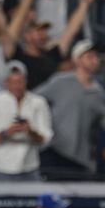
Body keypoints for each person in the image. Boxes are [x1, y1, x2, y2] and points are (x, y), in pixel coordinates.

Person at [35, 40, 105, 173]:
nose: (94, 60)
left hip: (81, 157)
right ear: (77, 60)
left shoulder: (98, 92)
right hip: (55, 151)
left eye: (96, 56)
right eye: (89, 56)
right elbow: (33, 100)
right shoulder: (60, 81)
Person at [0, 61, 53, 181]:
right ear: (5, 83)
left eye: (20, 82)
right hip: (0, 167)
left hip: (30, 167)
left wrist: (30, 131)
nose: (16, 86)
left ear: (26, 81)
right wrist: (7, 132)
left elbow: (46, 138)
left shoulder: (39, 103)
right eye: (12, 82)